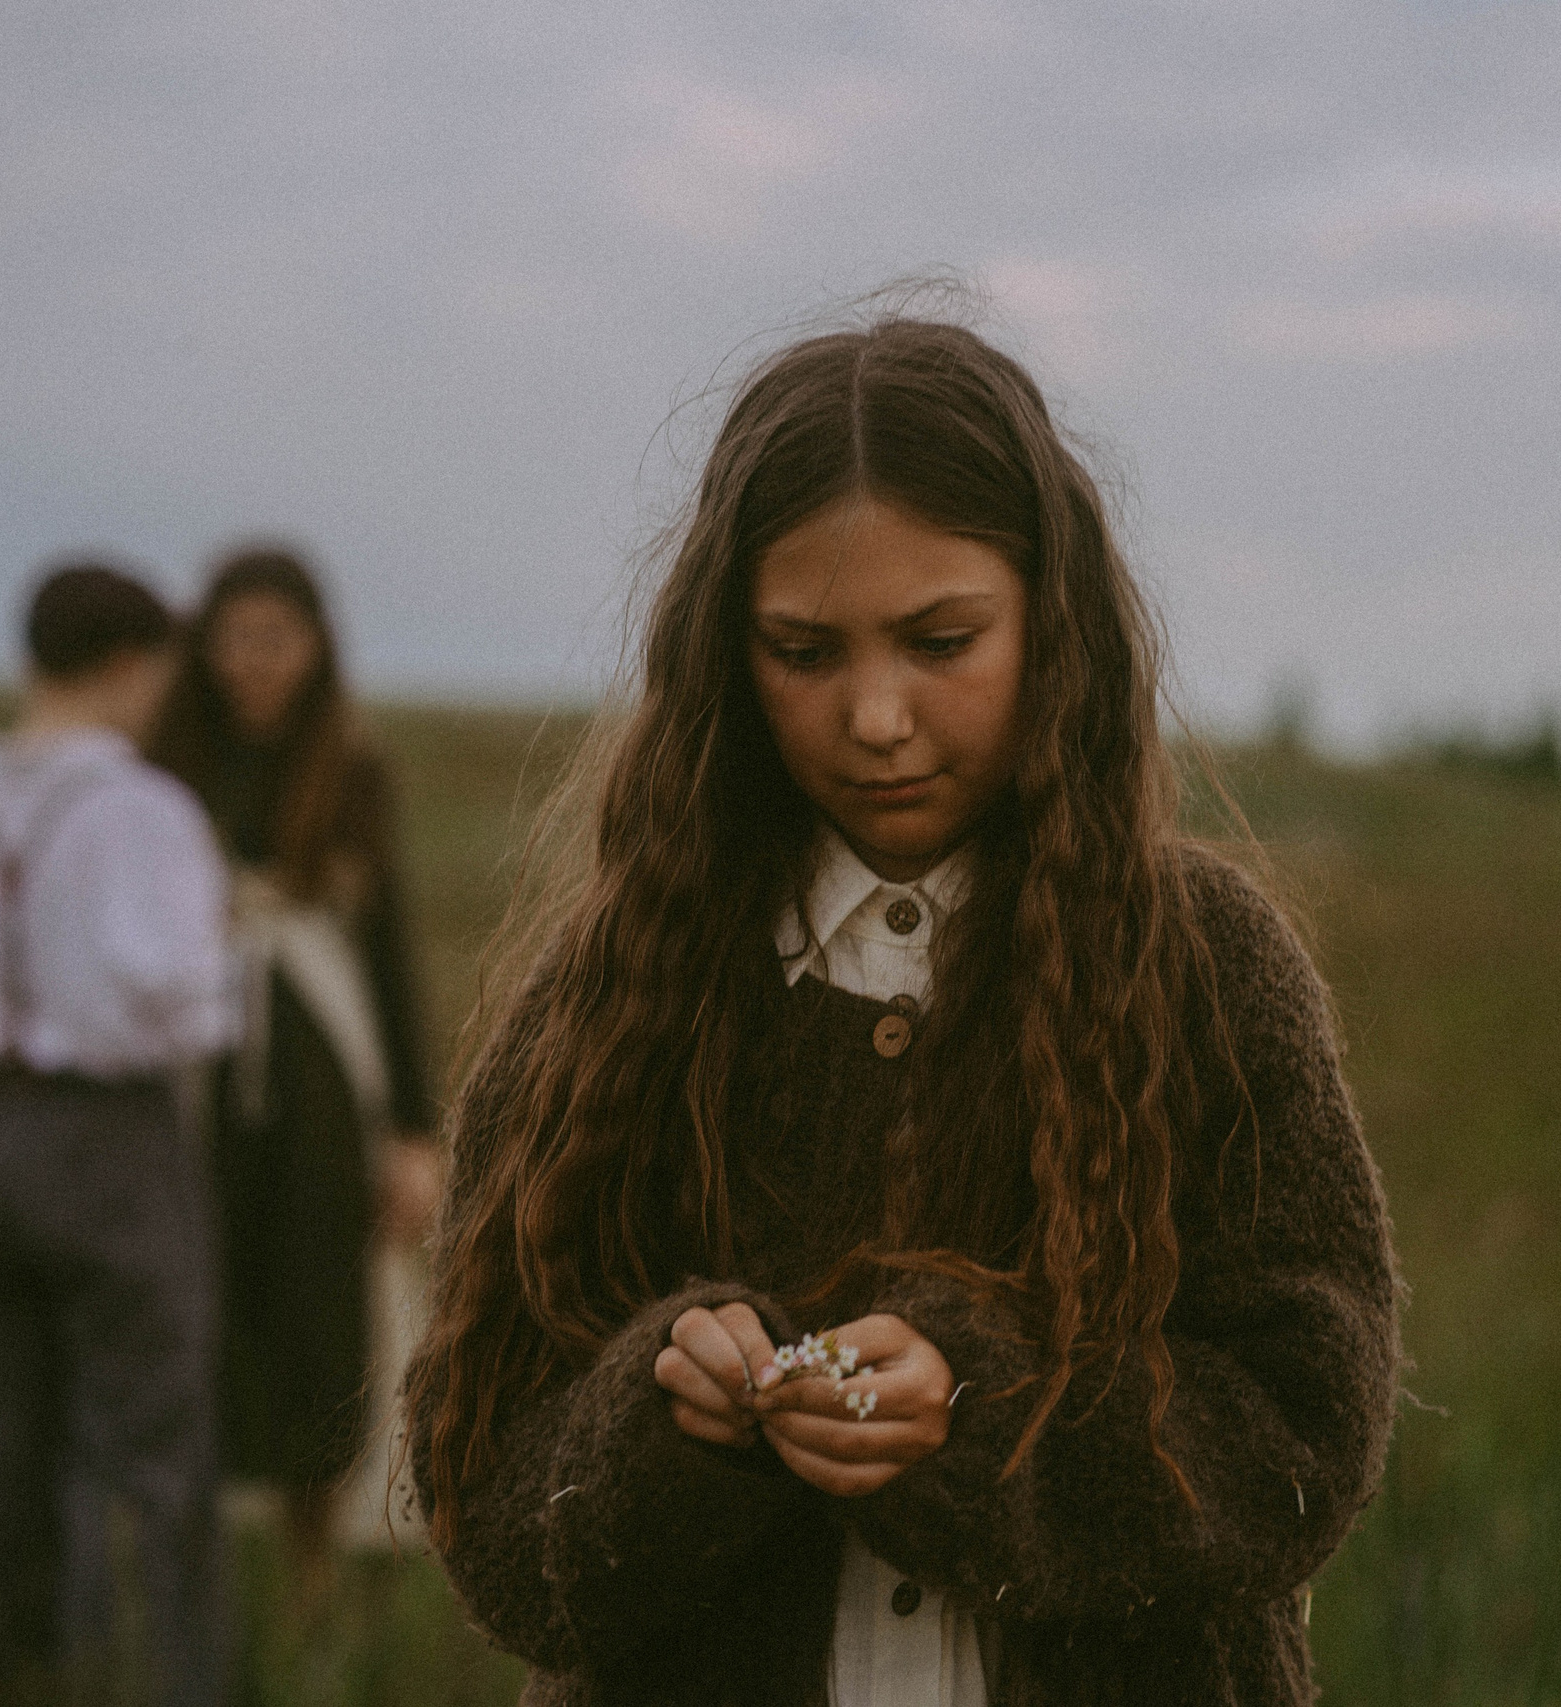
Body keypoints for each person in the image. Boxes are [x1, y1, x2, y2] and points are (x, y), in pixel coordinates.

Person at [402, 317, 1402, 1707]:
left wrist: (986, 1414)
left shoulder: (1204, 966)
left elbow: (1309, 1426)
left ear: (1052, 618)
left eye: (942, 640)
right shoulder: (622, 987)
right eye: (803, 649)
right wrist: (665, 1419)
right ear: (725, 649)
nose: (875, 714)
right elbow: (484, 1496)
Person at [0, 560, 235, 1706]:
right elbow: (192, 999)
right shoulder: (142, 811)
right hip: (110, 1140)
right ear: (133, 665)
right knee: (154, 1448)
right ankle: (166, 1681)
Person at [146, 547, 440, 1593]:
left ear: (315, 647)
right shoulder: (168, 761)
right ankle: (203, 1571)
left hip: (320, 1089)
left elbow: (387, 955)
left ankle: (311, 1575)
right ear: (205, 644)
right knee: (204, 1310)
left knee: (323, 1322)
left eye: (279, 638)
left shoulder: (349, 766)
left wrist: (413, 1132)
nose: (257, 660)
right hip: (202, 1088)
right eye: (238, 636)